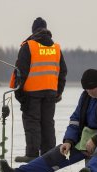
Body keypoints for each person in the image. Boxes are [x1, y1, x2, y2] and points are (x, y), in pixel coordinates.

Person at [10, 17, 67, 163]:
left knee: (32, 122)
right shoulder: (56, 48)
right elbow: (63, 72)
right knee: (48, 122)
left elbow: (20, 72)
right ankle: (50, 155)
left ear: (33, 30)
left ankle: (32, 154)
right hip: (50, 93)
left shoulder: (28, 46)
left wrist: (19, 93)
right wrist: (58, 92)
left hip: (32, 93)